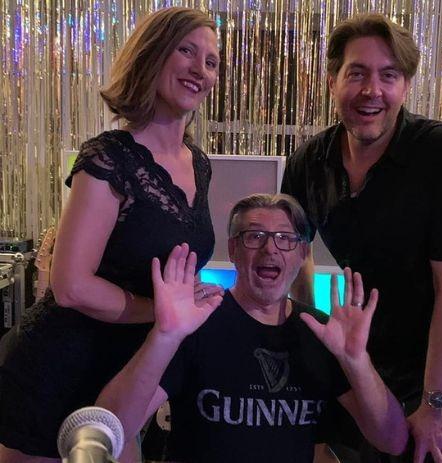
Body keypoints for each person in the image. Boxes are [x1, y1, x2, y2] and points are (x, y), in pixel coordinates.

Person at [0, 7, 223, 461]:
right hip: (61, 366)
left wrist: (177, 316)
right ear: (153, 55)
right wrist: (161, 314)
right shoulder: (107, 157)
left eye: (212, 61)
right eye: (187, 51)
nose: (200, 69)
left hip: (134, 368)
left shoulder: (198, 162)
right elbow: (71, 287)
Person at [281, 13, 442, 463]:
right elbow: (296, 259)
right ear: (332, 81)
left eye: (389, 75)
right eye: (356, 73)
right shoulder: (309, 159)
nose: (371, 91)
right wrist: (310, 341)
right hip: (366, 338)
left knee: (430, 451)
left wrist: (437, 403)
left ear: (406, 85)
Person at [96, 193, 409, 462]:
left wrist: (357, 361)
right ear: (233, 250)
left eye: (285, 238)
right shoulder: (196, 323)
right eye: (255, 236)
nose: (270, 249)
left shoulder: (321, 332)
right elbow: (109, 428)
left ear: (301, 254)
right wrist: (164, 336)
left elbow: (392, 440)